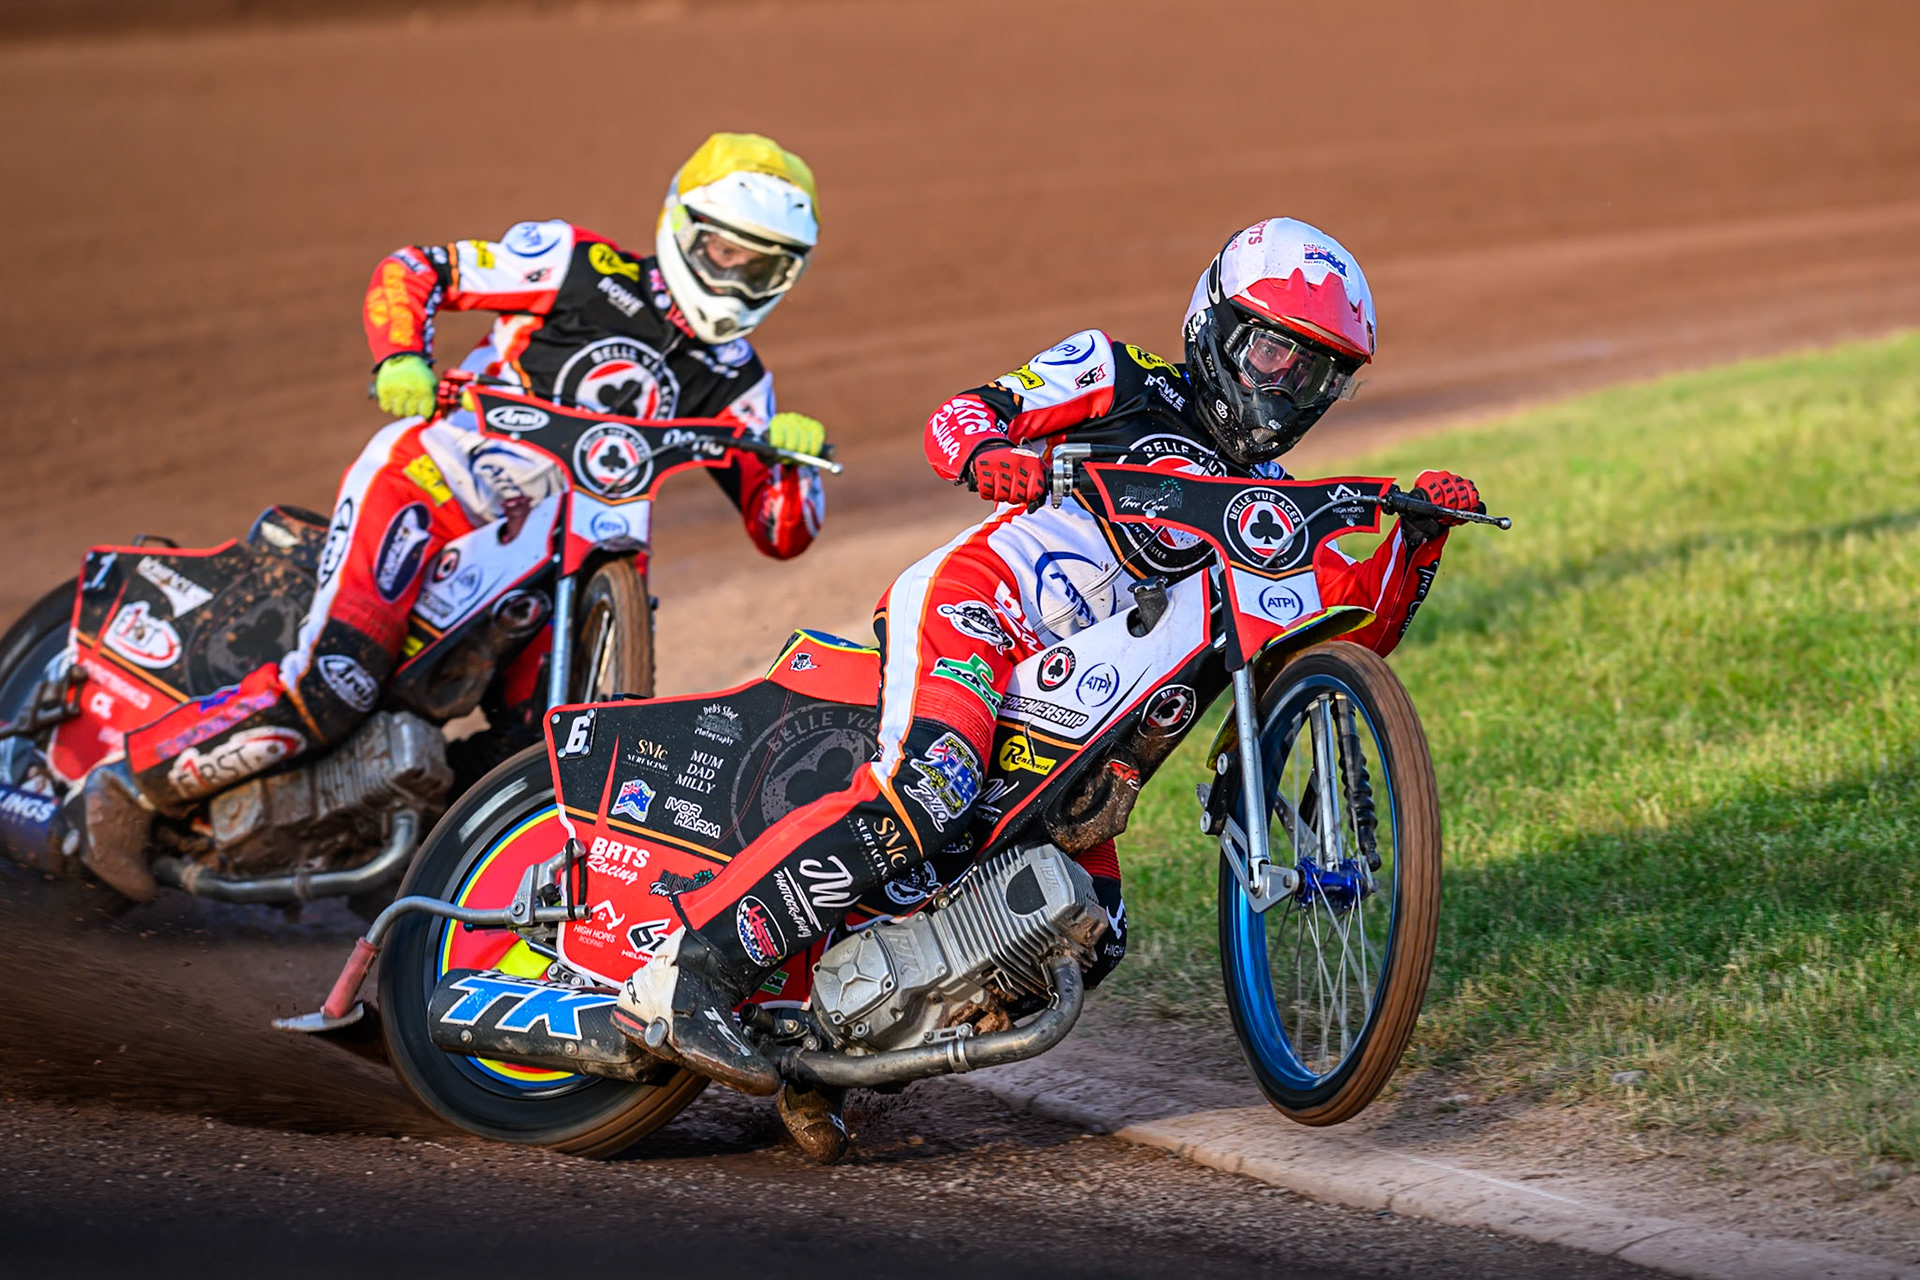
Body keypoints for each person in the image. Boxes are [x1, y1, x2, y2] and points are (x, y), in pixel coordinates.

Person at [616, 217, 1483, 1097]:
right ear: (1216, 326)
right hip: (977, 608)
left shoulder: (1273, 517)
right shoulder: (1119, 374)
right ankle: (696, 969)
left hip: (1076, 749)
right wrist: (993, 456)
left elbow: (1351, 640)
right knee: (931, 785)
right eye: (1274, 355)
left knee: (1089, 925)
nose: (1289, 390)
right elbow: (959, 419)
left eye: (1319, 377)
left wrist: (1419, 542)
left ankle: (834, 1053)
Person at [79, 132, 833, 903]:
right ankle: (126, 787)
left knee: (540, 752)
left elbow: (781, 533)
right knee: (335, 683)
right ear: (682, 227)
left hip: (562, 566)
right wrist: (402, 355)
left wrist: (791, 460)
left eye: (763, 265)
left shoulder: (739, 381)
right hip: (433, 491)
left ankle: (419, 885)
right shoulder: (576, 265)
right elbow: (415, 269)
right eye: (724, 250)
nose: (735, 278)